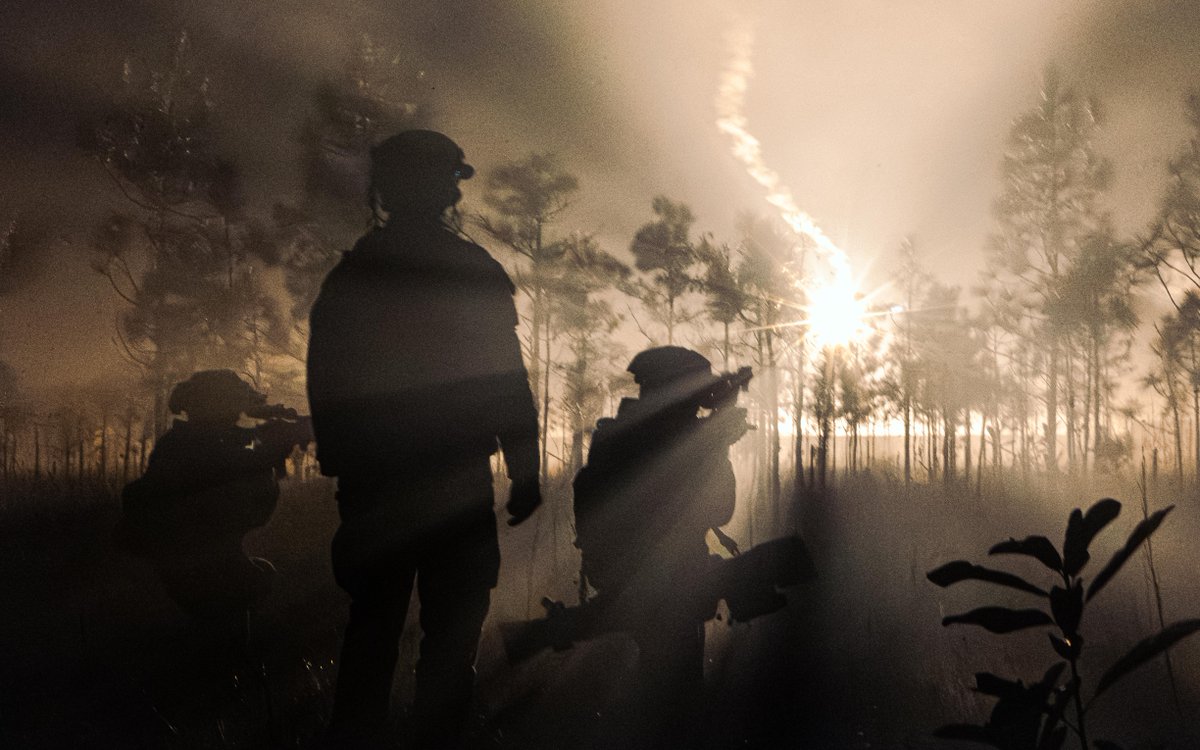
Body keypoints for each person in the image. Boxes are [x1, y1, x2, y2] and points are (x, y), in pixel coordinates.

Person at [306, 129, 542, 749]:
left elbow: (325, 378)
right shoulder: (472, 270)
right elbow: (505, 379)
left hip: (379, 482)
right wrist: (524, 470)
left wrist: (342, 462)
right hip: (454, 481)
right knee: (453, 630)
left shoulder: (353, 275)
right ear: (445, 189)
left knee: (374, 625)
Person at [572, 346, 748, 748]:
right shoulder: (676, 441)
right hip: (667, 584)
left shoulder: (617, 435)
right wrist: (716, 443)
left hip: (622, 578)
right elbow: (720, 509)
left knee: (655, 683)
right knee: (673, 694)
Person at [117, 369, 310, 650]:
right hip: (196, 567)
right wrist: (272, 453)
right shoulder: (198, 448)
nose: (236, 417)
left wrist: (271, 450)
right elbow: (253, 510)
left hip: (184, 563)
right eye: (232, 409)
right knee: (245, 591)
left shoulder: (182, 443)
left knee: (251, 582)